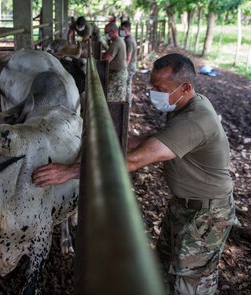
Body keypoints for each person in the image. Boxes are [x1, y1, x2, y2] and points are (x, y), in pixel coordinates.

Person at [32, 53, 237, 295]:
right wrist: (108, 138)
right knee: (163, 270)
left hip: (206, 214)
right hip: (184, 207)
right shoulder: (185, 105)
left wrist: (69, 171)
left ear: (186, 87)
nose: (152, 93)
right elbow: (154, 140)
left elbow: (137, 159)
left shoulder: (194, 120)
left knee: (190, 284)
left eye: (159, 88)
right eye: (152, 85)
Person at [103, 22, 127, 102]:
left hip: (118, 75)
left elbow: (106, 61)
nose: (106, 35)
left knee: (112, 99)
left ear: (114, 32)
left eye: (107, 33)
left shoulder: (116, 43)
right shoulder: (118, 41)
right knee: (117, 97)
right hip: (118, 73)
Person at [119, 20, 137, 107]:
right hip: (131, 65)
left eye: (123, 29)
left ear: (128, 29)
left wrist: (124, 68)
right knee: (127, 85)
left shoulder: (129, 41)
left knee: (126, 86)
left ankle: (127, 106)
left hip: (129, 66)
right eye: (120, 28)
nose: (121, 31)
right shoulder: (129, 38)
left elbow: (128, 57)